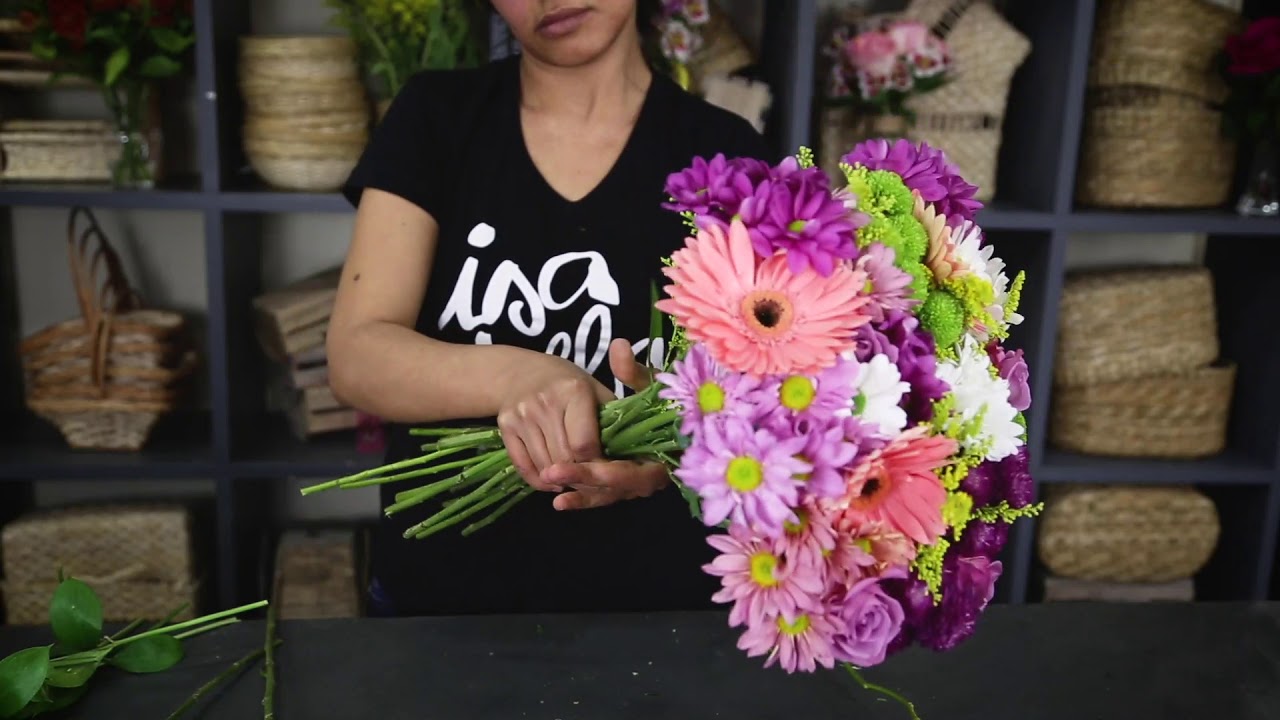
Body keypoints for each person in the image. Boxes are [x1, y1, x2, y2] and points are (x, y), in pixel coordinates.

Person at [328, 0, 774, 617]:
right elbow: (357, 354)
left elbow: (765, 388)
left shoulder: (724, 154)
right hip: (445, 599)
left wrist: (669, 456)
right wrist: (531, 376)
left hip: (659, 604)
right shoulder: (436, 117)